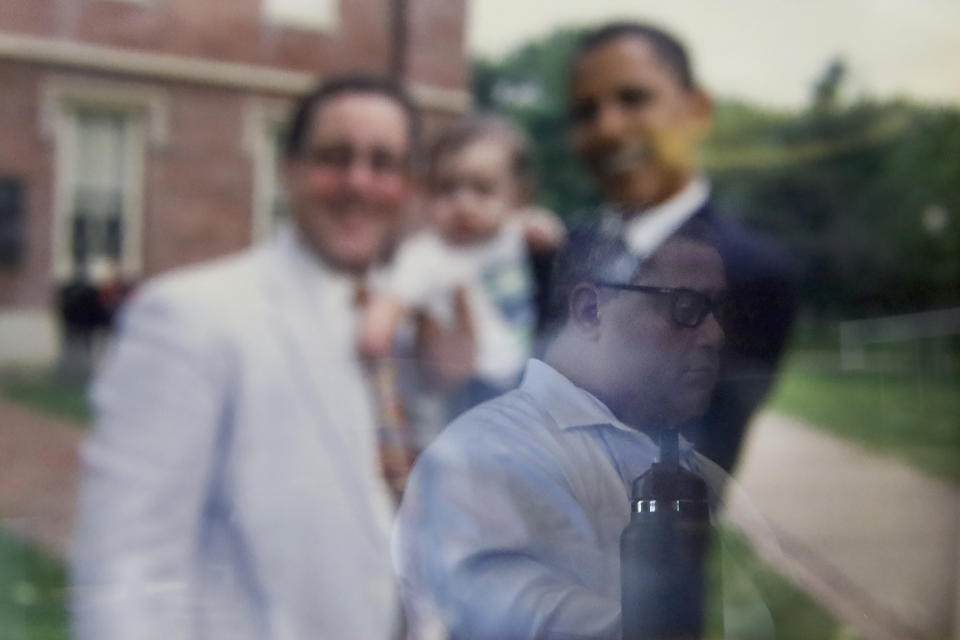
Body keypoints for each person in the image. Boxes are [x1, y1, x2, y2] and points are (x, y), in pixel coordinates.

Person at [72, 75, 420, 640]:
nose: (359, 181)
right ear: (289, 171)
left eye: (383, 164)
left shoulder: (419, 328)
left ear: (408, 186)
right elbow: (127, 566)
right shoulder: (191, 316)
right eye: (335, 157)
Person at [393, 222, 734, 639]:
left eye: (720, 310)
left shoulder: (701, 473)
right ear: (590, 311)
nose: (715, 335)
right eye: (686, 307)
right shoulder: (482, 457)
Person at [560, 22, 798, 472]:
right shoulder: (560, 251)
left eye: (634, 99)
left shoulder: (751, 272)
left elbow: (698, 459)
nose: (607, 127)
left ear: (698, 110)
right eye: (585, 112)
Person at [360, 114, 564, 425]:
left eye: (482, 190)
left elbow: (549, 232)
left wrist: (544, 227)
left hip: (520, 377)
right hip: (459, 392)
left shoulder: (512, 233)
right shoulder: (427, 254)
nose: (463, 204)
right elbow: (390, 302)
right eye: (447, 190)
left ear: (517, 195)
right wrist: (377, 331)